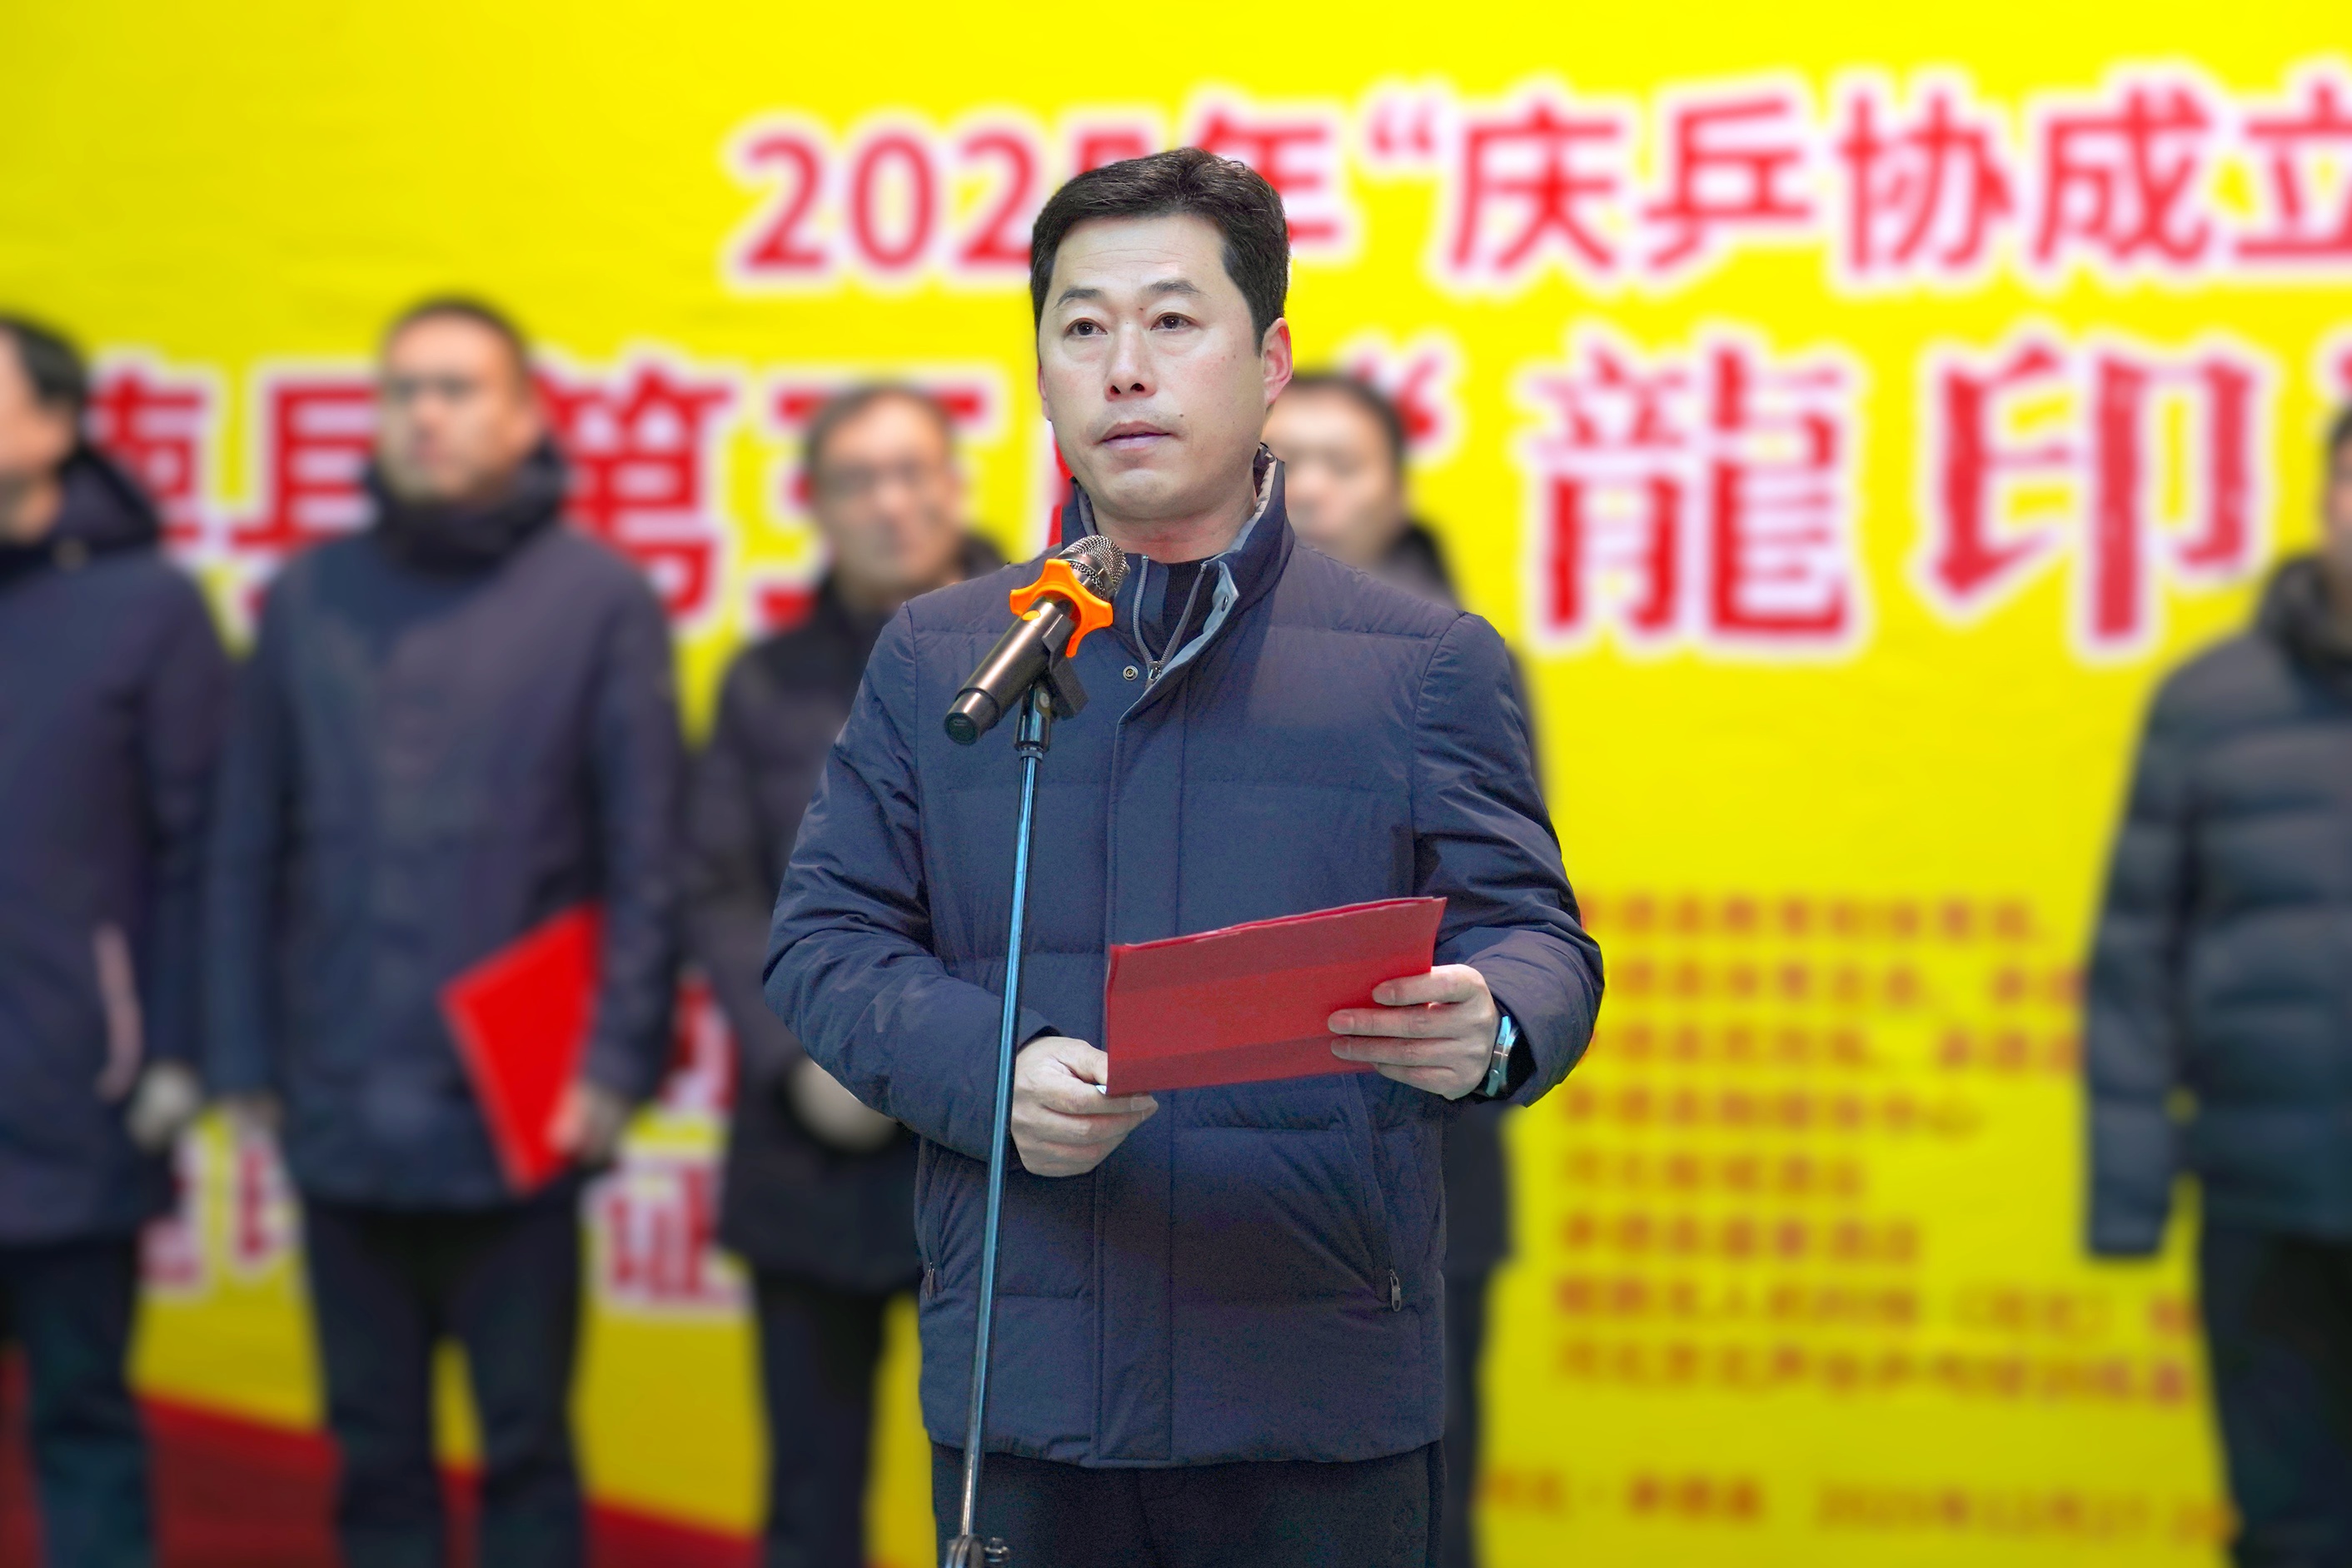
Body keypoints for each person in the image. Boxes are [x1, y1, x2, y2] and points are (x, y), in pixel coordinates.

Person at [766, 148, 1601, 1568]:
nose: (1125, 370)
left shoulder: (1421, 663)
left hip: (1312, 1394)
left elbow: (1539, 936)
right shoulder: (945, 656)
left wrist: (1498, 1017)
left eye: (1172, 321)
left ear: (1269, 363)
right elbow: (823, 944)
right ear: (1042, 374)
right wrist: (991, 1071)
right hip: (1031, 1388)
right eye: (1082, 327)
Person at [203, 298, 682, 1568]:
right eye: (403, 389)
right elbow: (245, 843)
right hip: (337, 1088)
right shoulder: (309, 597)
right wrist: (242, 1060)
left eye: (458, 388)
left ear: (524, 416)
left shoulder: (596, 598)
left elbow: (648, 858)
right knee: (373, 1455)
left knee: (524, 1447)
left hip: (518, 1100)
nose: (425, 414)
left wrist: (614, 1064)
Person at [685, 385, 1001, 1568]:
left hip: (995, 1148)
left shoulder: (1052, 650)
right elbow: (717, 888)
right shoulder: (765, 681)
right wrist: (798, 1056)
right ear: (814, 506)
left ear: (956, 485)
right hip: (811, 1142)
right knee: (810, 1497)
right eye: (858, 481)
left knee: (997, 1510)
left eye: (913, 473)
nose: (890, 504)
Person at [2087, 407, 2352, 1566]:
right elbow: (2136, 955)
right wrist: (2128, 1192)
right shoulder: (2211, 704)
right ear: (2325, 498)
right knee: (2290, 1526)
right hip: (2262, 1187)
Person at [1266, 372, 1517, 1568]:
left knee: (1416, 1505)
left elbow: (1511, 914)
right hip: (1238, 1165)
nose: (1308, 488)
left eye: (1342, 463)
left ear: (1398, 494)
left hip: (1412, 1141)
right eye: (1286, 462)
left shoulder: (1456, 661)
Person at [0, 316, 226, 1568]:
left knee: (81, 1420)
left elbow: (202, 848)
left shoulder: (144, 609)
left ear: (54, 425)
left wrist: (176, 1049)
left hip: (70, 1098)